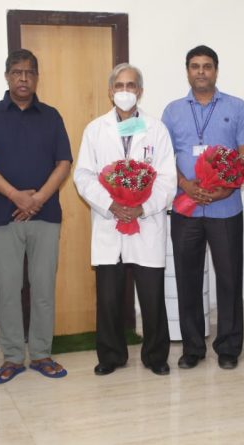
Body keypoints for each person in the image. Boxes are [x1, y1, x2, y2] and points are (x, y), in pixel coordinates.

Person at [0, 49, 72, 383]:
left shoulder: (52, 116)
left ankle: (41, 353)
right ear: (7, 76)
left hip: (46, 214)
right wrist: (16, 195)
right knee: (8, 290)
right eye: (17, 72)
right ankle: (13, 357)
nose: (23, 78)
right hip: (3, 215)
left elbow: (63, 163)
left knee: (43, 289)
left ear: (37, 77)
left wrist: (38, 198)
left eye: (29, 72)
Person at [74, 63, 176, 376]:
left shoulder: (156, 129)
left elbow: (167, 179)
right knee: (108, 296)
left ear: (140, 91)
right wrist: (111, 204)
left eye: (131, 86)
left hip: (146, 222)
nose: (125, 91)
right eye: (119, 86)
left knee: (152, 295)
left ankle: (156, 356)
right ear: (110, 91)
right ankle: (111, 355)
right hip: (110, 222)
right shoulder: (95, 129)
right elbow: (83, 175)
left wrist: (142, 208)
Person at [162, 45, 244, 370]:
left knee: (229, 278)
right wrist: (186, 185)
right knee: (187, 279)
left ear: (216, 70)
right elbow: (164, 158)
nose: (201, 71)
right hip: (185, 207)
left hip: (225, 208)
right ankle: (192, 348)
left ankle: (228, 347)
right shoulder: (172, 111)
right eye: (195, 66)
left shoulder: (238, 107)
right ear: (187, 71)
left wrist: (224, 190)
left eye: (207, 66)